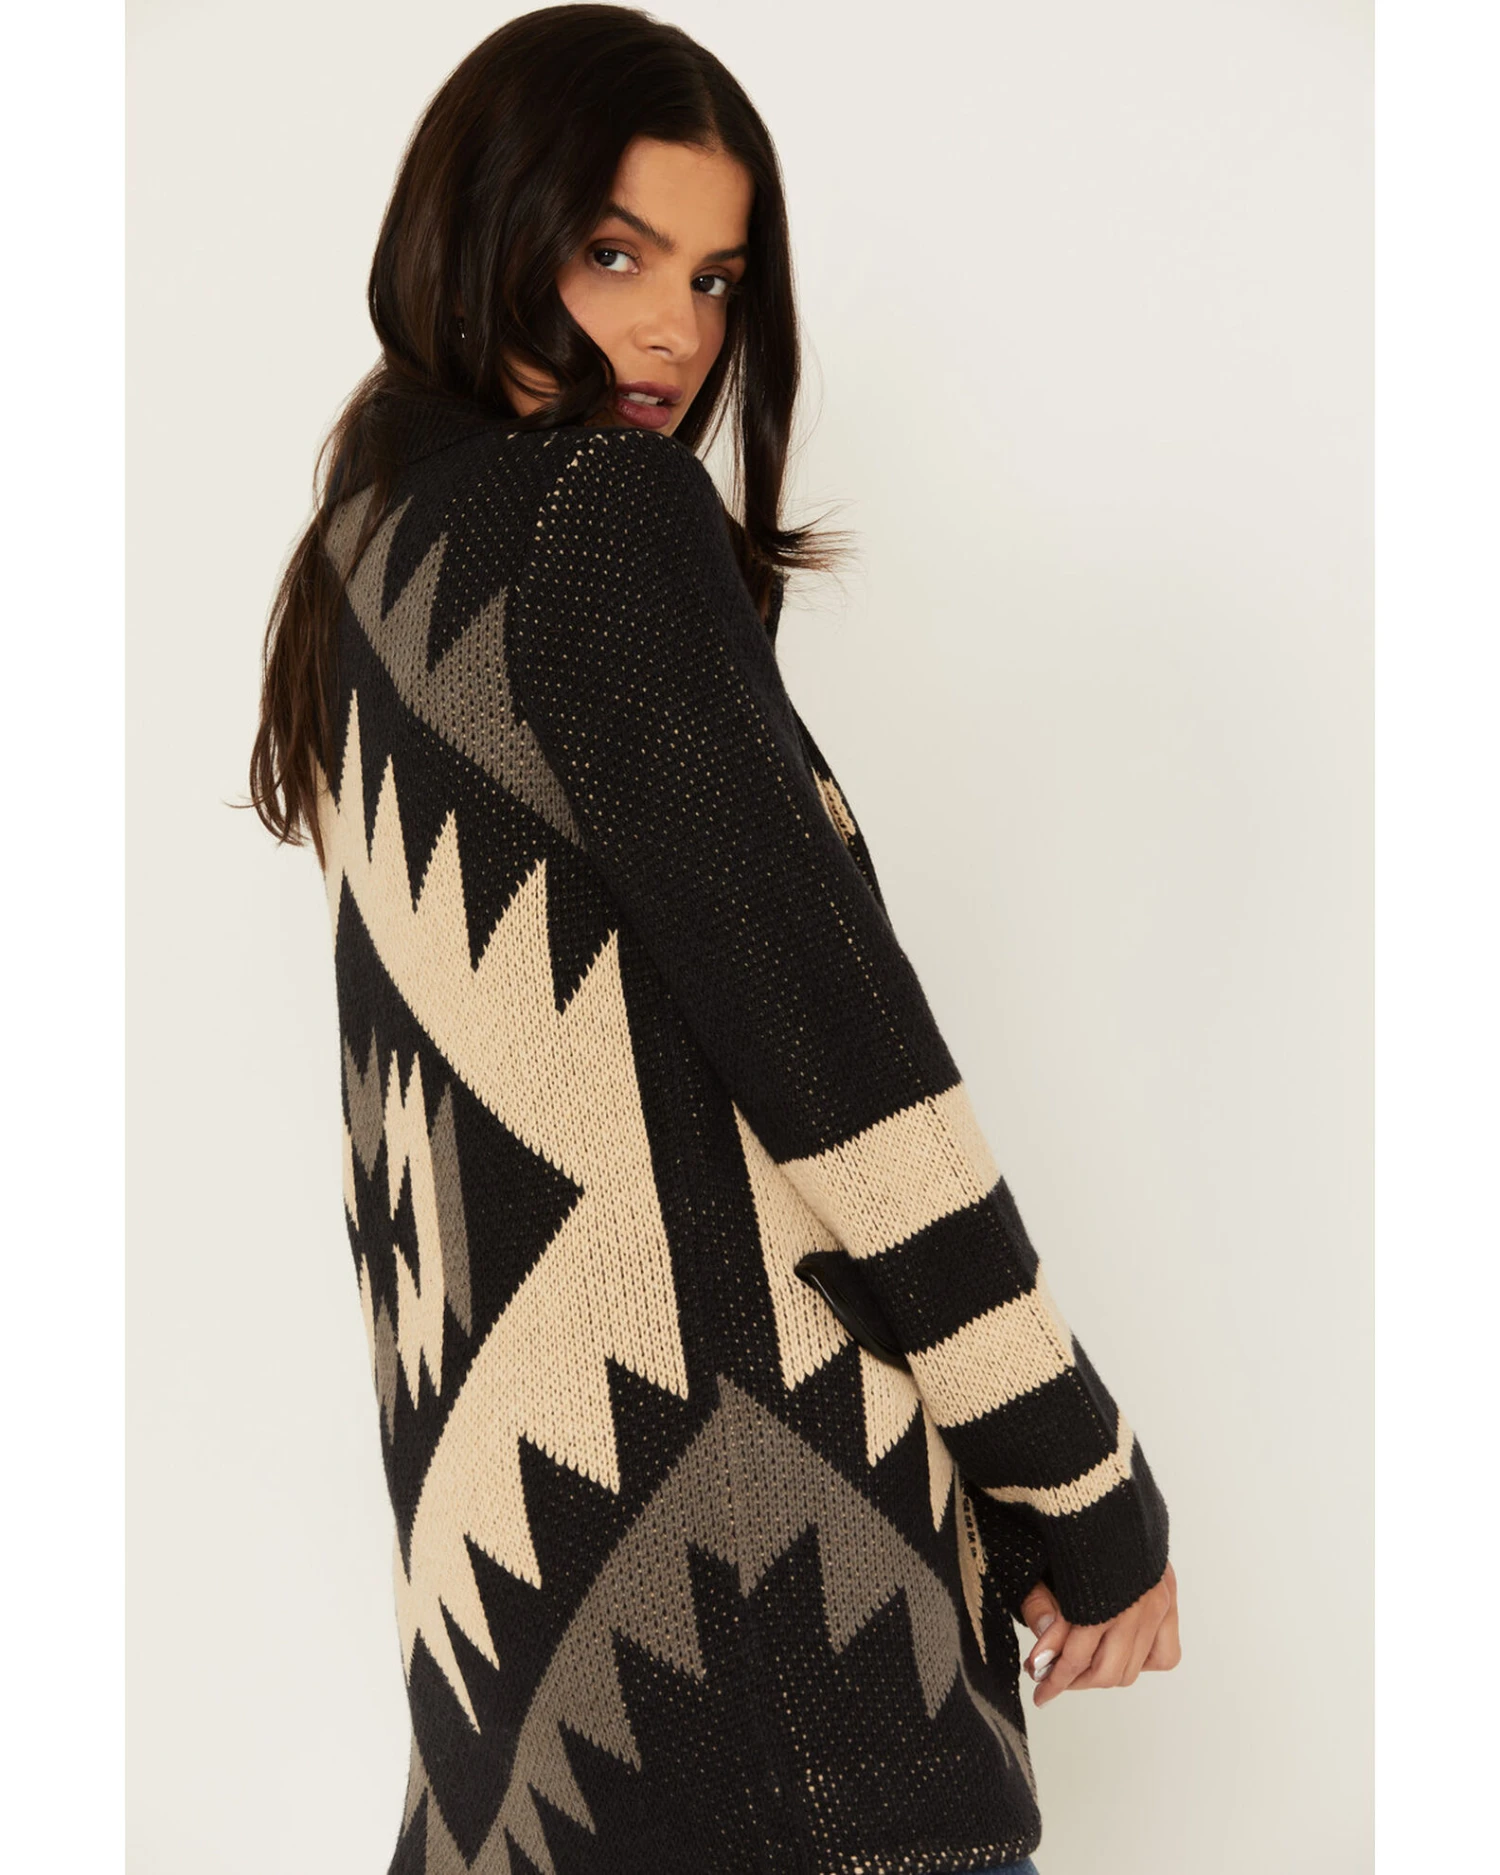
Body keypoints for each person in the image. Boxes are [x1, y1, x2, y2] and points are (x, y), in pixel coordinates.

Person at [248, 8, 1181, 1872]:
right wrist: (1082, 1484)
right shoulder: (595, 522)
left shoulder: (367, 567)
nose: (676, 331)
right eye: (615, 254)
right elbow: (838, 1052)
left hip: (522, 1701)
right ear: (480, 232)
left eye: (716, 276)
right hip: (772, 1635)